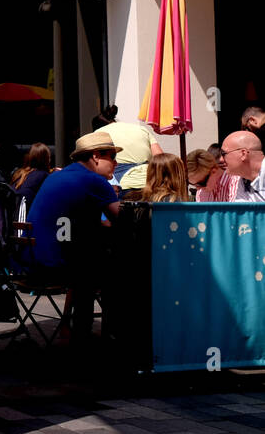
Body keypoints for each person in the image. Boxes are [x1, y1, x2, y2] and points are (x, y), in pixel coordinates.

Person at [26, 131, 122, 351]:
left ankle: (83, 337)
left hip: (31, 261)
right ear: (96, 156)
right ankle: (103, 340)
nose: (116, 163)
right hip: (54, 267)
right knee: (115, 272)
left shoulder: (60, 175)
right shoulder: (94, 181)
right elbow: (122, 220)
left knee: (92, 265)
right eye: (112, 156)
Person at [94, 105, 163, 193]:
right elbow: (160, 157)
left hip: (123, 186)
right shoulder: (141, 129)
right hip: (151, 182)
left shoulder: (99, 133)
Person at [222, 130, 265, 201]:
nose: (221, 159)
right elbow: (240, 211)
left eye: (224, 154)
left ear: (243, 154)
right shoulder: (243, 180)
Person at [10, 142, 52, 210]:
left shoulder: (19, 173)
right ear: (46, 159)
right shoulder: (43, 175)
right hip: (25, 216)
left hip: (12, 214)